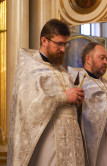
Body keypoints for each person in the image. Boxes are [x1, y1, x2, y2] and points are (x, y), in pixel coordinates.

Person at [7, 19, 87, 166]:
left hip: (71, 139)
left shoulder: (61, 70)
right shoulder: (30, 68)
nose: (63, 49)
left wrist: (77, 99)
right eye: (59, 44)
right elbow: (30, 105)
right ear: (44, 40)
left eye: (65, 44)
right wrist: (64, 97)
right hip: (48, 141)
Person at [68, 42, 107, 166]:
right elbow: (86, 113)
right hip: (100, 147)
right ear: (88, 59)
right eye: (102, 58)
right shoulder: (78, 81)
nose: (106, 62)